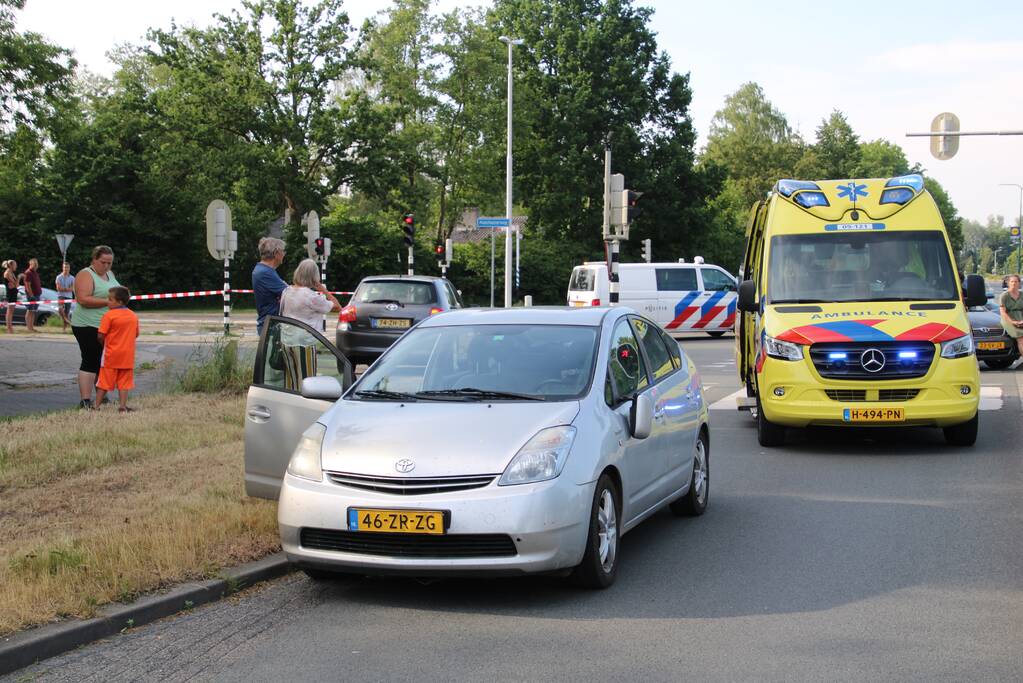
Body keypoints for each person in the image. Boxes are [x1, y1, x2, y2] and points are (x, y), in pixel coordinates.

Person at [278, 259, 341, 389]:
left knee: (290, 382)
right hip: (304, 343)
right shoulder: (312, 297)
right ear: (314, 277)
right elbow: (337, 306)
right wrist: (323, 290)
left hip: (286, 340)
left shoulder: (286, 292)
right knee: (308, 383)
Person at [71, 246, 120, 409]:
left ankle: (101, 397)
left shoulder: (110, 274)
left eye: (109, 263)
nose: (106, 266)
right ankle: (85, 400)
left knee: (103, 361)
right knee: (90, 360)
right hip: (86, 325)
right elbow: (83, 299)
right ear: (94, 260)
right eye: (103, 262)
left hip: (105, 325)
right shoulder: (85, 274)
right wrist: (109, 302)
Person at [95, 286, 139, 412]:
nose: (107, 302)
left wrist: (104, 344)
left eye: (110, 299)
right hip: (127, 355)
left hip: (111, 354)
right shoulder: (133, 316)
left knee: (104, 381)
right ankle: (122, 406)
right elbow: (136, 334)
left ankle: (96, 406)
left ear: (119, 302)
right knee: (124, 382)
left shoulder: (109, 316)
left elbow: (100, 335)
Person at [253, 237, 287, 335]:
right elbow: (288, 293)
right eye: (283, 251)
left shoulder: (265, 270)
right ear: (276, 253)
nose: (284, 254)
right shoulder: (265, 272)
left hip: (269, 325)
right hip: (270, 327)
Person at [999, 274, 1023, 361]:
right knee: (1021, 338)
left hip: (1020, 318)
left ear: (1019, 283)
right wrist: (1013, 322)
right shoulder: (1004, 296)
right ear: (1008, 283)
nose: (1014, 284)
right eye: (1012, 282)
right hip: (1008, 319)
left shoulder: (1022, 295)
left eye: (1016, 282)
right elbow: (1003, 312)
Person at [22, 258, 42, 332]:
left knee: (33, 311)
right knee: (29, 310)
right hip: (32, 295)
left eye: (37, 264)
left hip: (37, 294)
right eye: (35, 264)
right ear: (30, 264)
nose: (36, 266)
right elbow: (27, 285)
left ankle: (31, 327)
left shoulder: (35, 272)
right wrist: (31, 295)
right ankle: (29, 328)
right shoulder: (28, 273)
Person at [55, 262, 75, 332]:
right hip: (61, 296)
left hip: (69, 297)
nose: (66, 269)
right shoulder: (59, 277)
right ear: (62, 268)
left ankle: (64, 329)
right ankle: (67, 320)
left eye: (67, 267)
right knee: (60, 309)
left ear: (69, 269)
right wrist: (67, 289)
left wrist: (64, 289)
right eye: (64, 267)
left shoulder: (72, 278)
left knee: (67, 312)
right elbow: (58, 288)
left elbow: (72, 288)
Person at [3, 259, 17, 333]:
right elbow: (16, 284)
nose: (16, 266)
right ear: (11, 265)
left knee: (11, 311)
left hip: (14, 293)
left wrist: (15, 284)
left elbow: (15, 285)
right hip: (10, 294)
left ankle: (10, 328)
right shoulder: (7, 273)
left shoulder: (12, 273)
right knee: (9, 312)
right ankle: (9, 329)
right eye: (15, 265)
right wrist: (20, 277)